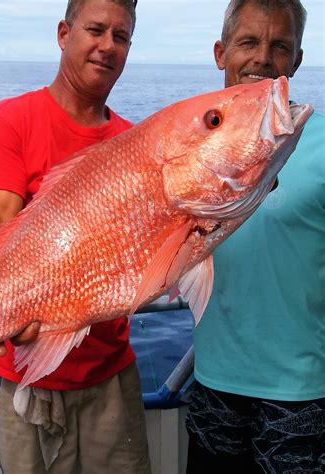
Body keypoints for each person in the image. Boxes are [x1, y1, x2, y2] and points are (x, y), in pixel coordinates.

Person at [0, 1, 151, 473]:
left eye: (120, 37)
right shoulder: (5, 122)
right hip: (20, 383)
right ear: (63, 33)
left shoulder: (135, 143)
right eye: (96, 30)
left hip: (110, 380)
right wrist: (4, 313)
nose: (107, 46)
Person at [186, 0, 325, 473]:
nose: (263, 58)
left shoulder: (323, 143)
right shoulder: (189, 145)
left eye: (280, 46)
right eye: (248, 42)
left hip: (302, 398)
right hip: (212, 385)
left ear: (298, 60)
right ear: (221, 52)